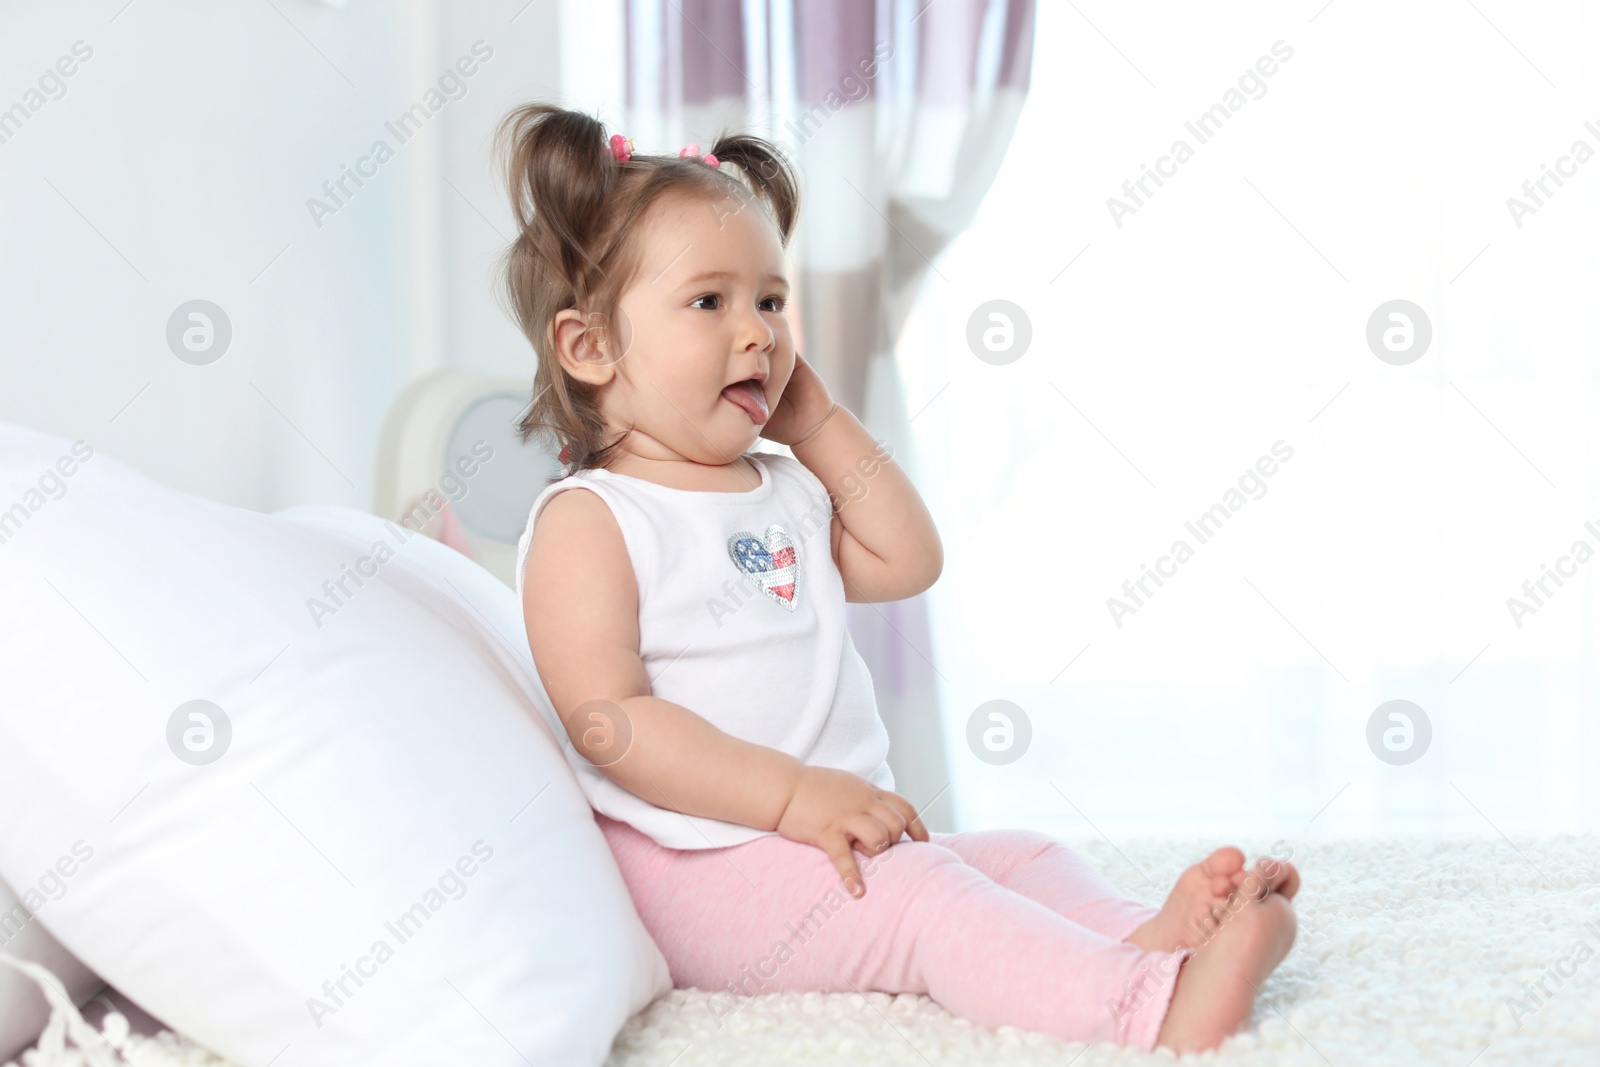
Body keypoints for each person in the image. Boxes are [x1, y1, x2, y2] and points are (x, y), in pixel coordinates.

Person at [499, 101, 1300, 1053]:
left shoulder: (784, 486)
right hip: (700, 869)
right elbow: (612, 719)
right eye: (709, 302)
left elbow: (907, 558)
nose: (757, 332)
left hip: (823, 839)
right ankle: (1143, 1007)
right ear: (590, 347)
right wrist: (794, 796)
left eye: (769, 299)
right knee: (930, 901)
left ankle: (1144, 939)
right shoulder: (594, 520)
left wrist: (822, 425)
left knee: (1019, 856)